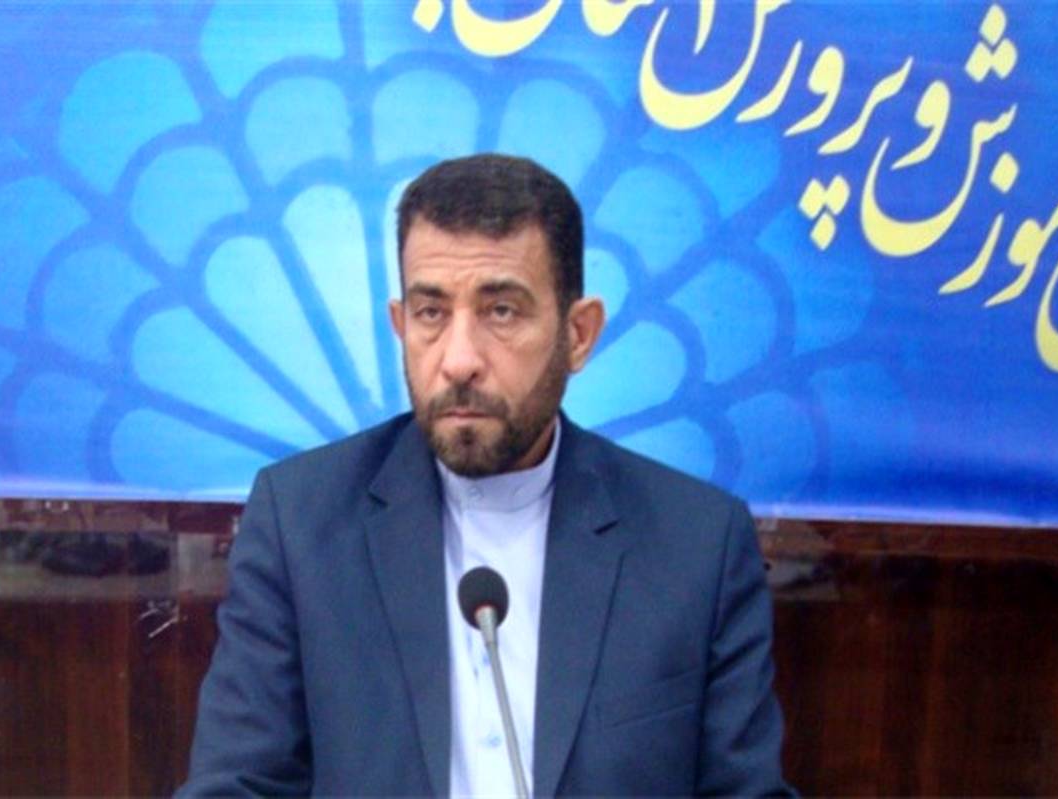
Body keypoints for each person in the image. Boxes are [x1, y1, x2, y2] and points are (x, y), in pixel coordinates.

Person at [178, 154, 794, 797]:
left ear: (578, 335)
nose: (460, 359)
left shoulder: (698, 545)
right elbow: (236, 787)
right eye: (431, 313)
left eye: (501, 311)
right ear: (400, 325)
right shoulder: (301, 524)